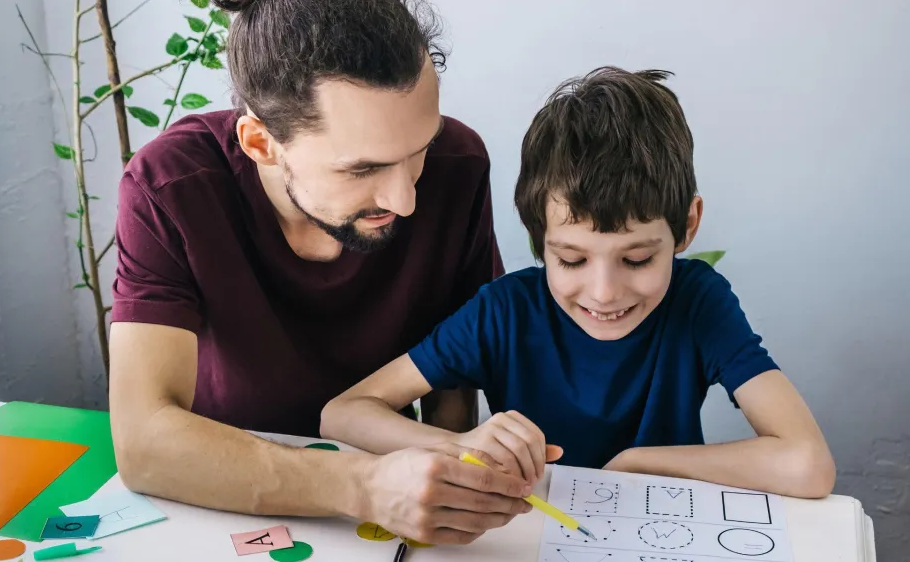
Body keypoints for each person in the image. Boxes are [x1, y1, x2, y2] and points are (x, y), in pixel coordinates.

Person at [108, 0, 533, 545]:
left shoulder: (460, 165)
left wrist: (455, 481)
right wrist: (362, 485)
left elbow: (453, 371)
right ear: (260, 142)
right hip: (220, 498)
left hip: (393, 506)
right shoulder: (170, 189)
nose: (407, 199)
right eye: (362, 169)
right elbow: (145, 442)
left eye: (420, 149)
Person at [321, 67, 837, 498]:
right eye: (570, 260)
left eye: (636, 259)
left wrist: (641, 463)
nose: (604, 292)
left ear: (687, 227)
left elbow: (807, 463)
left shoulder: (699, 302)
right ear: (538, 238)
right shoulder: (504, 312)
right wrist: (463, 446)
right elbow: (343, 415)